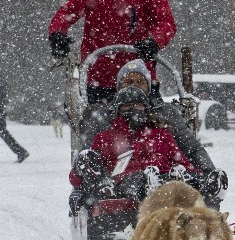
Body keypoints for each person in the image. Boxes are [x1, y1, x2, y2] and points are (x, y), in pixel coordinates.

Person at [49, 0, 177, 106]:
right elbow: (65, 13)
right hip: (99, 79)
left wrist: (154, 41)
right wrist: (57, 34)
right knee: (96, 120)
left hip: (140, 78)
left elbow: (166, 22)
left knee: (157, 120)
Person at [69, 86, 227, 210]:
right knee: (136, 179)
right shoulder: (105, 138)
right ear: (118, 110)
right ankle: (152, 189)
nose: (133, 109)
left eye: (138, 105)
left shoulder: (161, 135)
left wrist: (196, 174)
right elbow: (87, 170)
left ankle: (206, 187)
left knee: (181, 175)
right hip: (126, 180)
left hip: (165, 175)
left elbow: (183, 162)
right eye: (127, 106)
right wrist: (82, 182)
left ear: (145, 110)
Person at [83, 59, 217, 174]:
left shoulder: (166, 113)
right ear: (119, 87)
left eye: (140, 82)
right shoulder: (103, 117)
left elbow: (192, 149)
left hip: (163, 178)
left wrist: (207, 172)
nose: (134, 86)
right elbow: (88, 156)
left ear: (147, 87)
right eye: (128, 82)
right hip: (117, 180)